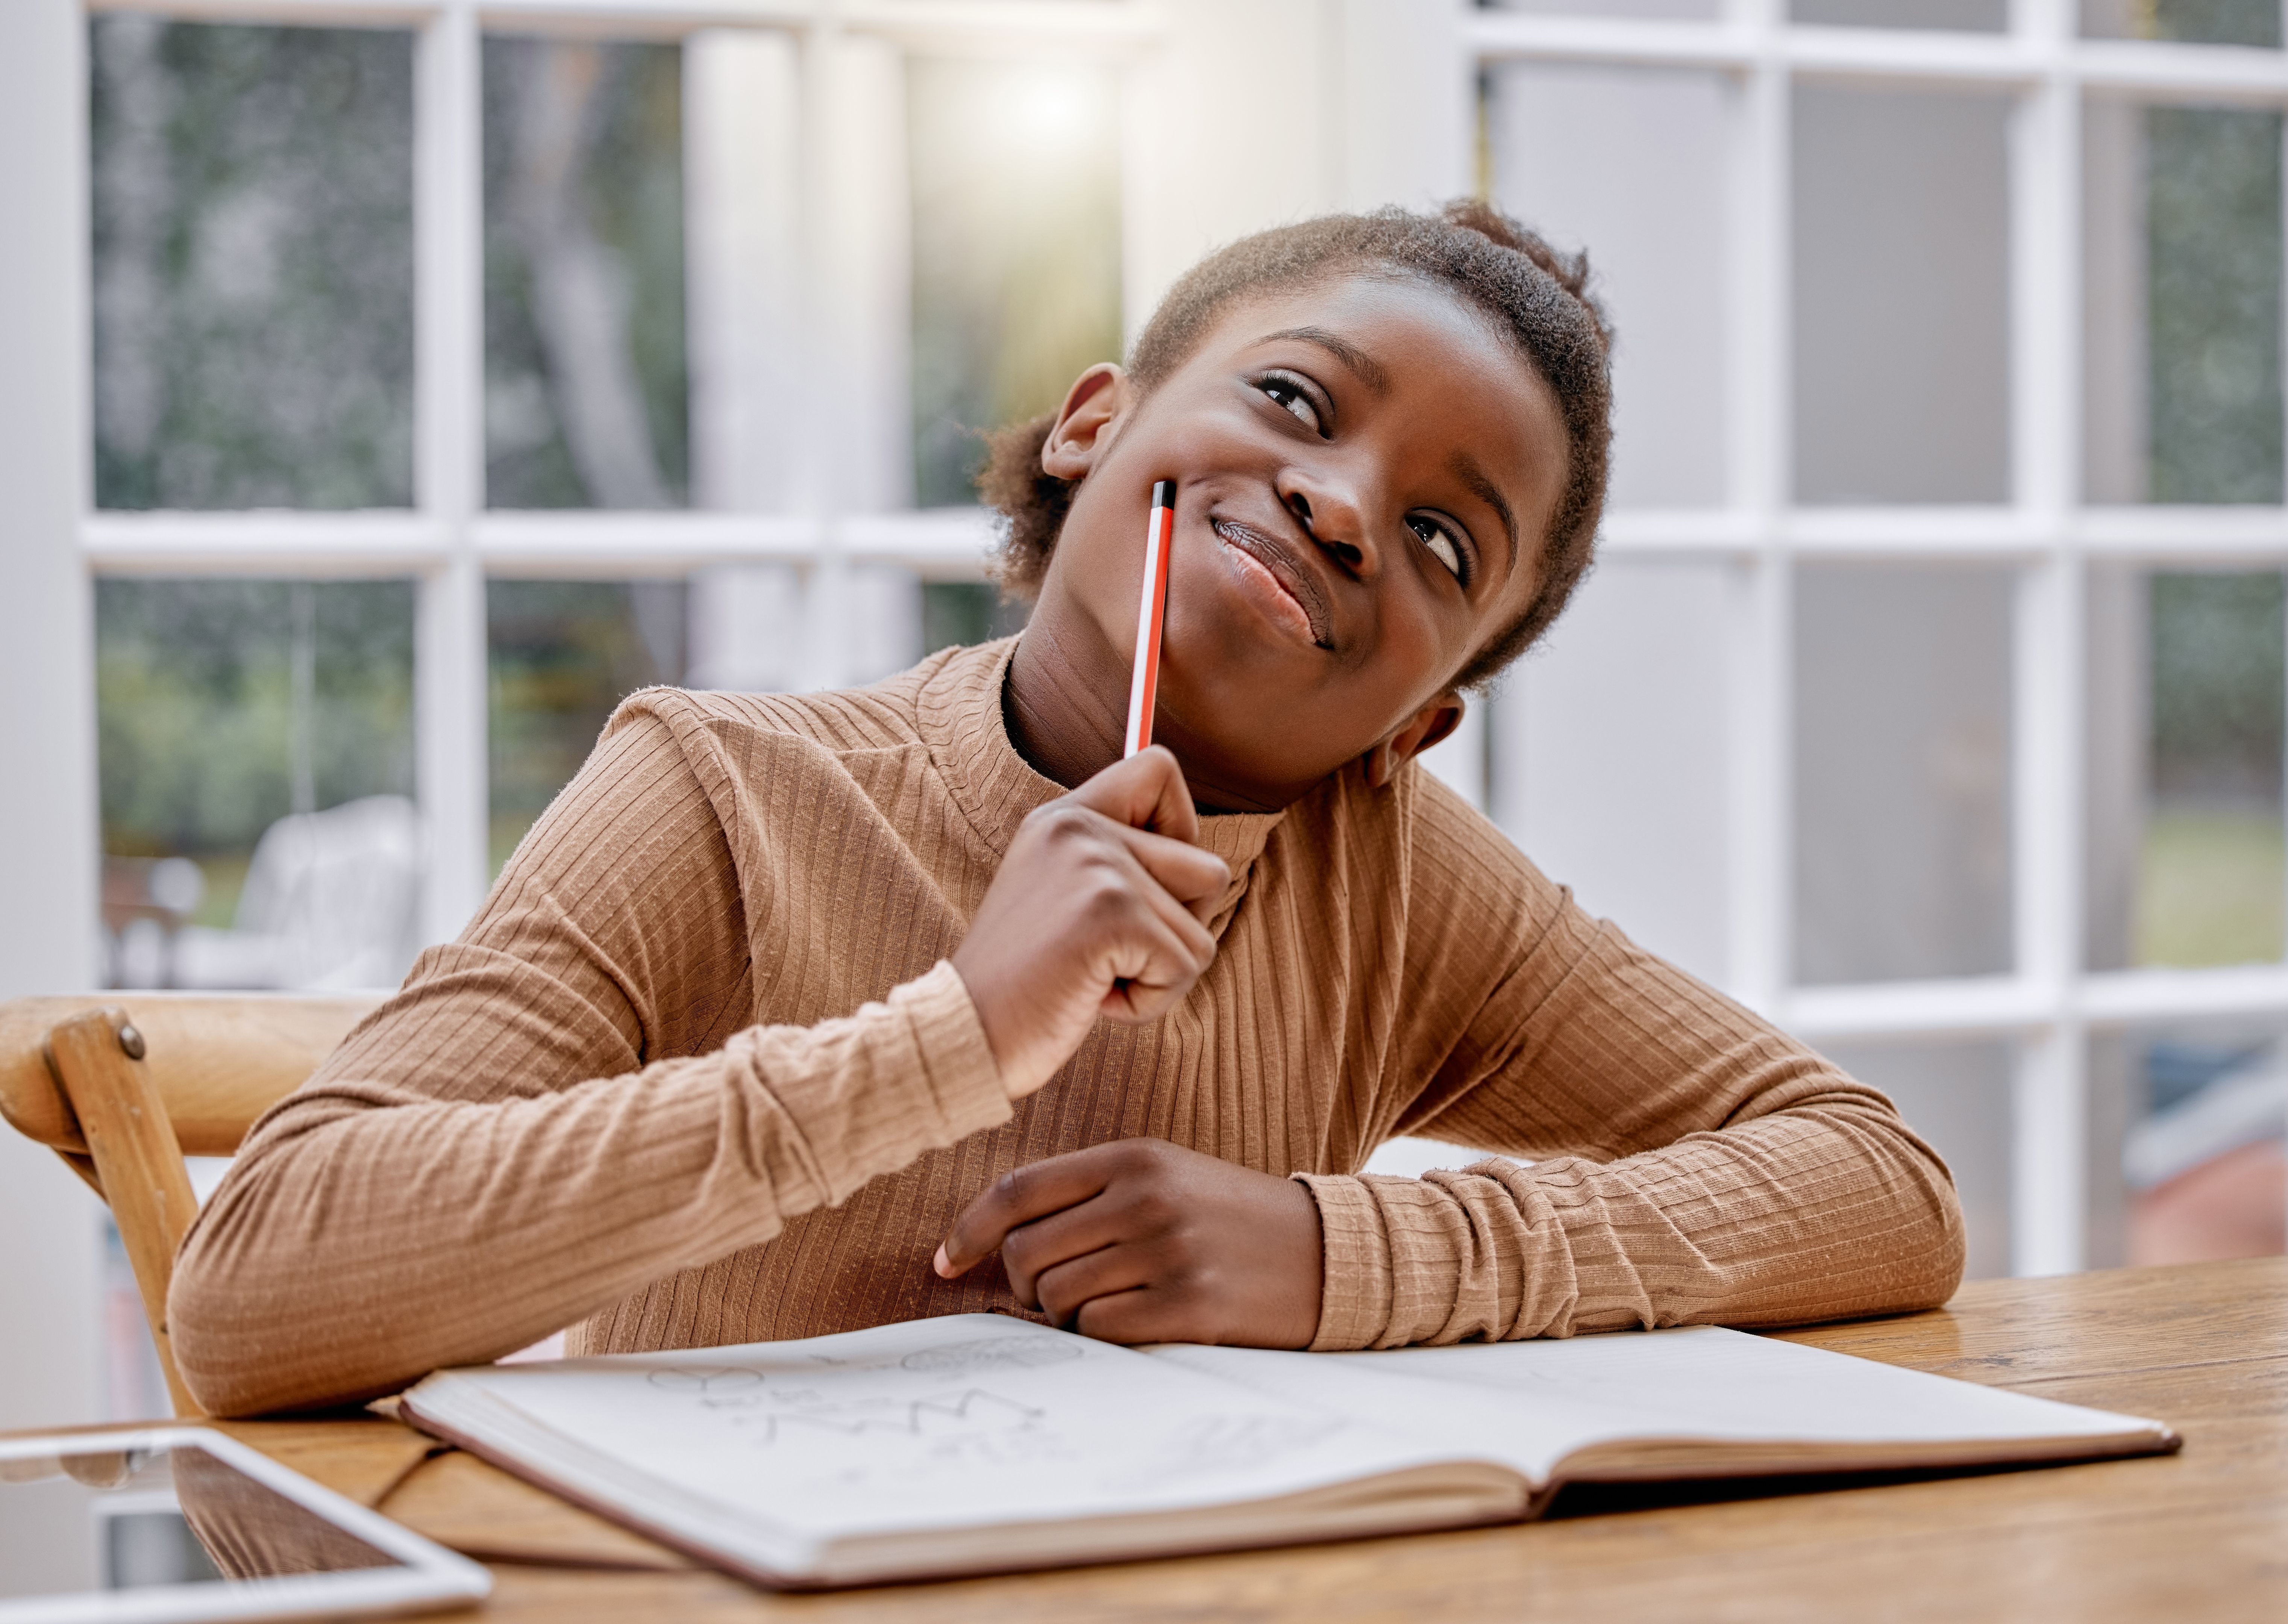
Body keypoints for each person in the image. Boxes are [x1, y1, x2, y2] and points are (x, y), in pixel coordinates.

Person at [169, 202, 1964, 1417]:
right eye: (1290, 400)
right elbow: (251, 1292)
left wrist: (1338, 1252)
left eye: (1438, 538)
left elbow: (1883, 1191)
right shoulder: (721, 791)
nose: (1342, 501)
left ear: (1421, 717)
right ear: (1093, 424)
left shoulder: (1408, 886)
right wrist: (947, 1039)